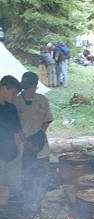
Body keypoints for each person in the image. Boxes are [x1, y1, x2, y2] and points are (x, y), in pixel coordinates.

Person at [14, 72, 53, 211]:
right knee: (24, 170)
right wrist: (25, 142)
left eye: (30, 86)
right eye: (25, 87)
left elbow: (47, 120)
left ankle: (44, 196)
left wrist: (40, 135)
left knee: (44, 166)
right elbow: (14, 125)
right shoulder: (16, 101)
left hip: (39, 139)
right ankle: (25, 198)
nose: (27, 90)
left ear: (35, 86)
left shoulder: (42, 100)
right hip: (21, 141)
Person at [0, 75, 23, 206]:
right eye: (13, 93)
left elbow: (17, 130)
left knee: (7, 185)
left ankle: (3, 210)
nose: (15, 97)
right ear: (4, 88)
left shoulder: (11, 108)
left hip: (12, 153)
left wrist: (20, 145)